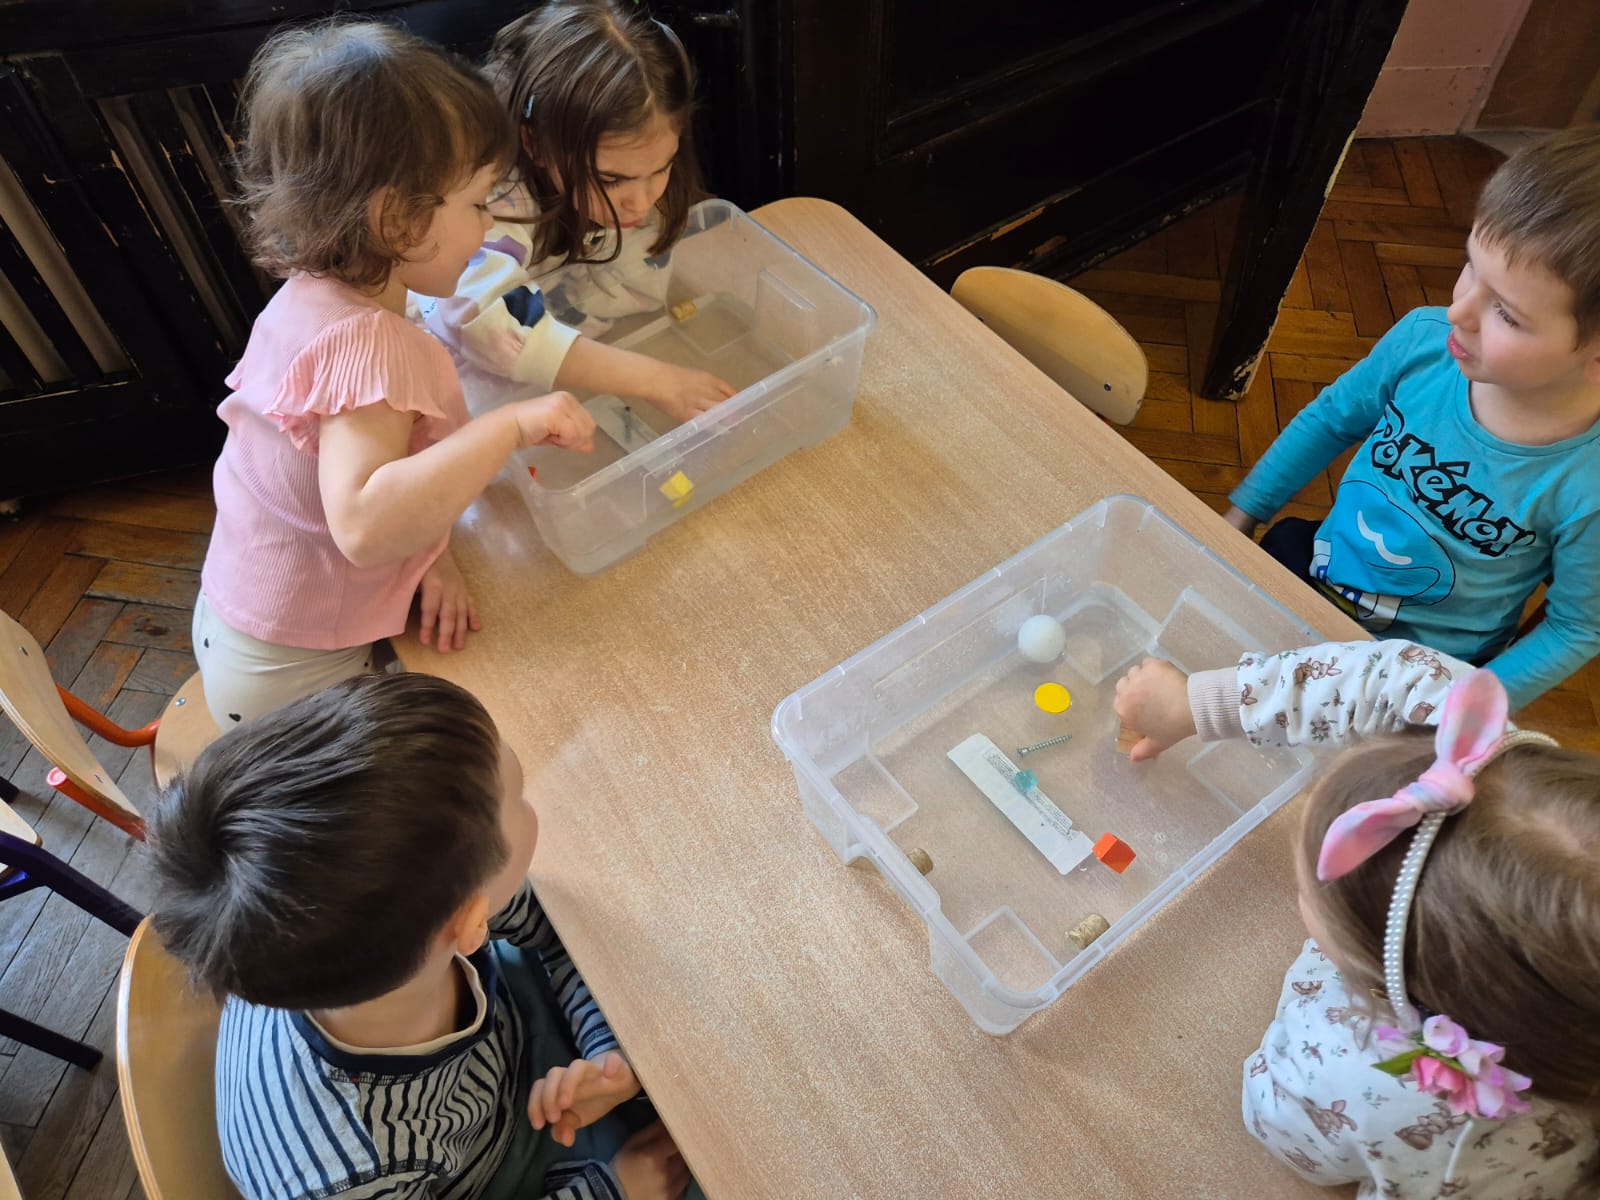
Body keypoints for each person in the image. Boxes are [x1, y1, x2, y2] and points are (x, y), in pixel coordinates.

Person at [147, 672, 697, 1200]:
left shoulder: (335, 921)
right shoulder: (349, 1175)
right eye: (519, 797)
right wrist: (615, 1189)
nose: (529, 800)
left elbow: (554, 931)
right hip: (491, 1166)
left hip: (503, 1062)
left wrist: (608, 1056)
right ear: (470, 923)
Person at [195, 20, 596, 728]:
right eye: (478, 203)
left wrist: (429, 557)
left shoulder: (311, 297)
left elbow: (350, 480)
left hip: (240, 621)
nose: (488, 224)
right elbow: (363, 522)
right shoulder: (374, 344)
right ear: (396, 220)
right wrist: (510, 426)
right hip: (297, 679)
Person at [1114, 644, 1600, 1197]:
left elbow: (1277, 1122)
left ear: (1387, 975)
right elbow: (1401, 679)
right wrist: (1202, 703)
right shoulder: (1510, 799)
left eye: (1310, 891)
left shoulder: (1367, 1078)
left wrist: (1330, 978)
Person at [1223, 126, 1600, 709]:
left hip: (1418, 678)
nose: (1457, 312)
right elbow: (1330, 420)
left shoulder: (1586, 484)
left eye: (1506, 313)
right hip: (1316, 578)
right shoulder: (1424, 342)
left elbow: (1576, 627)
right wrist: (1243, 513)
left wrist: (1459, 708)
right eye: (1470, 265)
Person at [426, 0, 735, 422]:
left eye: (662, 167)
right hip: (466, 394)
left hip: (581, 369)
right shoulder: (491, 197)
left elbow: (638, 291)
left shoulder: (633, 170)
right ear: (535, 144)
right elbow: (484, 320)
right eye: (611, 179)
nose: (641, 201)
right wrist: (653, 379)